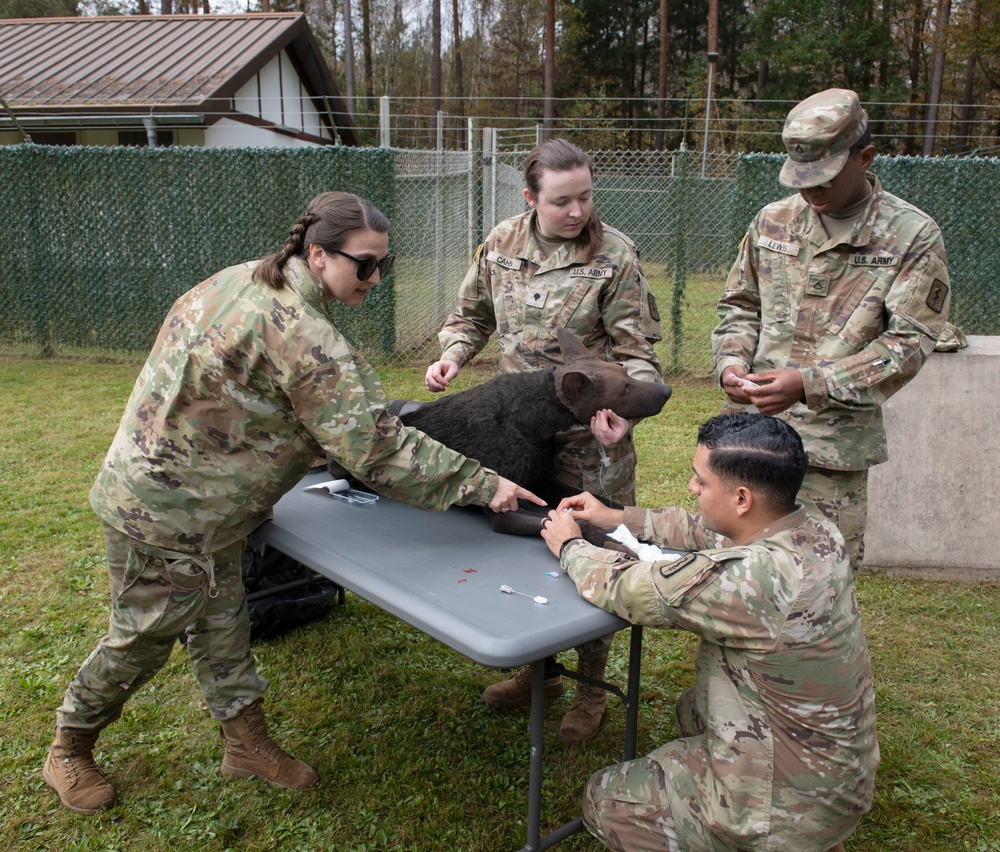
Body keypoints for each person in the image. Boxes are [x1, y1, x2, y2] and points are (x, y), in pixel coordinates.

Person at [43, 191, 543, 814]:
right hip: (166, 510)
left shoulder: (236, 280)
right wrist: (483, 484)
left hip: (199, 499)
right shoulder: (305, 338)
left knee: (222, 622)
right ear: (317, 253)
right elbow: (376, 450)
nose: (376, 278)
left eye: (383, 264)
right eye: (365, 264)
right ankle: (69, 746)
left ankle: (245, 745)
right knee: (143, 635)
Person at [539, 412, 879, 852]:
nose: (692, 489)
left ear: (741, 497)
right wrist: (617, 516)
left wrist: (570, 545)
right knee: (692, 710)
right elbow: (706, 530)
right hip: (836, 773)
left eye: (700, 481)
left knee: (606, 796)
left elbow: (630, 588)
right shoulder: (814, 530)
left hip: (785, 809)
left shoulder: (751, 579)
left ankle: (762, 838)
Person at [425, 138, 665, 744]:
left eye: (586, 195)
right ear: (531, 198)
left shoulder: (617, 256)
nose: (579, 211)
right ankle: (542, 674)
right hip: (514, 430)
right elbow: (470, 315)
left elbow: (637, 354)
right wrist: (453, 356)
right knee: (523, 546)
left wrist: (626, 419)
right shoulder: (502, 242)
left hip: (590, 436)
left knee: (596, 549)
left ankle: (590, 687)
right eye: (562, 201)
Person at [712, 87, 952, 572]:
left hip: (831, 453)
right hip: (750, 442)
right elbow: (739, 305)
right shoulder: (772, 222)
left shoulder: (911, 236)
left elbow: (907, 345)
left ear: (865, 157)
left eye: (824, 178)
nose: (810, 192)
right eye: (801, 179)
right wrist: (731, 364)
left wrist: (810, 384)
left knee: (817, 591)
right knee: (733, 579)